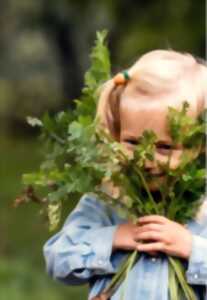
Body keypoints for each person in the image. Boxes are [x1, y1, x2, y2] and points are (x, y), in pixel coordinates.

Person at [43, 50, 207, 300]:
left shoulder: (202, 208)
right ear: (116, 135)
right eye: (132, 143)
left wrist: (191, 247)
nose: (146, 160)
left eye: (164, 147)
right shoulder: (107, 201)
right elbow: (58, 259)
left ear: (200, 145)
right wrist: (114, 237)